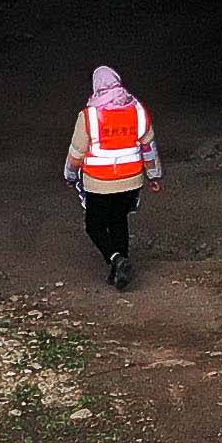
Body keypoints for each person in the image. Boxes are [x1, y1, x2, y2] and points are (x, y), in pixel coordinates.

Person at [65, 63, 159, 287]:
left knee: (94, 226)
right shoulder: (138, 111)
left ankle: (116, 259)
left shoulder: (88, 116)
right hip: (131, 181)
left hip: (99, 183)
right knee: (119, 221)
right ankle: (119, 266)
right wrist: (154, 176)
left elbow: (76, 153)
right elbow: (149, 148)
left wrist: (69, 176)